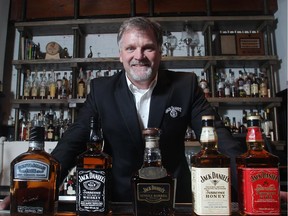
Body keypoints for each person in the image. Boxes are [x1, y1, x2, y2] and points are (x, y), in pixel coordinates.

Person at [1, 16, 244, 209]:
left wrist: (249, 181)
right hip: (119, 202)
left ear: (160, 51)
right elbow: (74, 140)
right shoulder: (101, 90)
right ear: (121, 54)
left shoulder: (185, 85)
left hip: (174, 200)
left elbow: (219, 138)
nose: (139, 56)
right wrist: (40, 188)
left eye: (148, 48)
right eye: (131, 48)